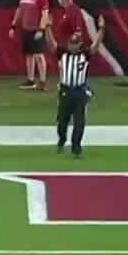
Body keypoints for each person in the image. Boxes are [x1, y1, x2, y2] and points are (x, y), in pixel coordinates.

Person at [47, 14, 106, 158]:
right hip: (65, 91)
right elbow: (51, 44)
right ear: (68, 43)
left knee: (79, 123)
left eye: (75, 44)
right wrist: (47, 27)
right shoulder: (62, 53)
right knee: (62, 122)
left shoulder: (85, 54)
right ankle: (62, 139)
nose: (72, 46)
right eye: (71, 44)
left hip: (79, 92)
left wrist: (101, 30)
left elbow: (95, 46)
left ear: (80, 44)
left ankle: (76, 148)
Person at [9, 0, 50, 90]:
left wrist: (41, 29)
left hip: (36, 30)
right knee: (29, 55)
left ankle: (43, 81)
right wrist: (13, 26)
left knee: (39, 55)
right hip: (25, 29)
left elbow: (45, 14)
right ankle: (31, 80)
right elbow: (19, 11)